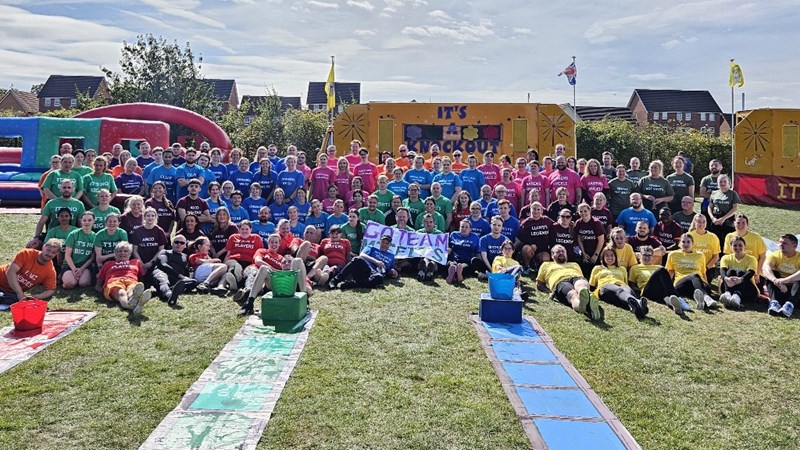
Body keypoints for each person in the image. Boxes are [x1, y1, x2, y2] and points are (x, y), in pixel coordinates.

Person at [536, 244, 601, 320]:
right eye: (558, 252)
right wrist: (549, 292)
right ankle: (582, 305)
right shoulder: (546, 265)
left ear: (566, 254)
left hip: (576, 277)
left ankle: (585, 295)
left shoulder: (574, 264)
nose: (561, 253)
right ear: (552, 255)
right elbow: (539, 284)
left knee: (581, 285)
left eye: (563, 251)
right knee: (572, 295)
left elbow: (581, 277)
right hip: (560, 282)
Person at [95, 241, 153, 316]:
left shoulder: (136, 262)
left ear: (130, 254)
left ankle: (134, 298)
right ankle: (131, 306)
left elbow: (142, 277)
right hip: (114, 282)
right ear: (115, 254)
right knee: (121, 293)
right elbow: (99, 282)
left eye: (125, 251)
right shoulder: (108, 264)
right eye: (119, 251)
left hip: (131, 281)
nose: (122, 253)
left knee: (132, 290)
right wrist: (102, 290)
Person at [589, 246, 648, 318]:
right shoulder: (598, 268)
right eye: (607, 255)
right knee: (620, 290)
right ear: (603, 257)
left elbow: (625, 283)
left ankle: (638, 309)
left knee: (625, 290)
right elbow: (591, 286)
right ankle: (638, 302)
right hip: (605, 287)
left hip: (622, 287)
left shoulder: (622, 269)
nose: (610, 257)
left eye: (612, 255)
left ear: (615, 257)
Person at [666, 233, 717, 311]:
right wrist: (668, 288)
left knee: (696, 278)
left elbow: (703, 273)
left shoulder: (700, 255)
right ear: (679, 244)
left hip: (698, 284)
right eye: (683, 242)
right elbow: (670, 272)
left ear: (693, 244)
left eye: (688, 242)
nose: (686, 244)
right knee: (694, 275)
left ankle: (701, 300)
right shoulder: (673, 254)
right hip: (681, 283)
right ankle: (706, 298)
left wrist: (706, 285)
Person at [328, 234, 398, 290]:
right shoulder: (371, 247)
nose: (384, 244)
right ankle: (335, 280)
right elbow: (362, 255)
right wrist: (376, 261)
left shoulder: (391, 256)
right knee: (357, 259)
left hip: (375, 275)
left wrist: (393, 271)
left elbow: (389, 269)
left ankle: (349, 284)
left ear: (390, 245)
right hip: (366, 270)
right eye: (383, 242)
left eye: (387, 243)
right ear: (379, 242)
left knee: (379, 278)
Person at [628, 246, 685, 314]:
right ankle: (679, 298)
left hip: (659, 290)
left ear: (653, 257)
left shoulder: (657, 267)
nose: (647, 257)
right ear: (640, 256)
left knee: (665, 296)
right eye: (644, 255)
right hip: (647, 291)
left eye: (649, 255)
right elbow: (632, 285)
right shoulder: (635, 268)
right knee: (662, 270)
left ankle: (675, 306)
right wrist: (640, 290)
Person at [30, 179, 85, 249]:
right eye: (64, 187)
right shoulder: (51, 203)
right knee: (32, 245)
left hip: (71, 235)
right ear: (60, 189)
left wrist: (83, 236)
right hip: (52, 235)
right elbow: (42, 221)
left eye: (69, 187)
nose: (66, 190)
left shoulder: (79, 204)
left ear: (73, 189)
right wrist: (36, 237)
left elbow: (81, 223)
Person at [0, 239, 60, 304]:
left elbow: (51, 290)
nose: (49, 254)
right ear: (43, 247)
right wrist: (19, 293)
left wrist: (35, 297)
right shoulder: (26, 253)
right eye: (48, 250)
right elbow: (10, 272)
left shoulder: (50, 270)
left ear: (57, 254)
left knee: (13, 300)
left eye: (53, 252)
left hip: (11, 292)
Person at [762, 234, 800, 318]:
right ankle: (774, 303)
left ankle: (789, 305)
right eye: (780, 242)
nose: (780, 245)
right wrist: (776, 281)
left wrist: (785, 280)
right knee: (771, 275)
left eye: (784, 243)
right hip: (780, 288)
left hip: (795, 291)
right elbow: (765, 268)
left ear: (794, 246)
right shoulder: (774, 255)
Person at [719, 236, 759, 309]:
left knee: (740, 273)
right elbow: (722, 270)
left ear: (745, 246)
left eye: (740, 245)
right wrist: (726, 278)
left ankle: (737, 295)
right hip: (728, 286)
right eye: (735, 245)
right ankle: (728, 294)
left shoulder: (752, 259)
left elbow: (751, 272)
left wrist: (741, 279)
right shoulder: (725, 258)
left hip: (747, 290)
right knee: (730, 271)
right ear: (731, 247)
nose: (737, 247)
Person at [62, 211, 96, 289]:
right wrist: (74, 269)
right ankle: (64, 278)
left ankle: (84, 278)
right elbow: (67, 255)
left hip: (85, 266)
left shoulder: (95, 236)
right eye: (84, 220)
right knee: (70, 284)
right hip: (70, 265)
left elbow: (92, 257)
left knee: (83, 283)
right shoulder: (73, 234)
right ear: (81, 221)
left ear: (93, 221)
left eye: (89, 220)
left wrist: (81, 269)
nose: (87, 222)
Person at [516, 201, 553, 272]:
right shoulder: (526, 223)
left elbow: (555, 226)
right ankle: (527, 266)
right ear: (530, 210)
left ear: (542, 211)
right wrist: (530, 244)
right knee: (526, 249)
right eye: (534, 209)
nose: (536, 211)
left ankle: (537, 265)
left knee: (545, 258)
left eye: (538, 209)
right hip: (531, 248)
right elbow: (521, 237)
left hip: (543, 249)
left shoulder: (546, 220)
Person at [130, 207, 168, 274]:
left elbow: (161, 250)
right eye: (148, 216)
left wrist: (151, 262)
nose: (150, 218)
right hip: (140, 263)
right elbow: (135, 250)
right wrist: (141, 264)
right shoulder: (138, 231)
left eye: (152, 216)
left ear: (156, 217)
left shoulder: (159, 231)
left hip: (154, 263)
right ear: (144, 217)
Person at [707, 174, 740, 247]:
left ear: (728, 182)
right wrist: (712, 218)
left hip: (728, 220)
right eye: (720, 181)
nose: (722, 183)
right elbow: (710, 207)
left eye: (724, 181)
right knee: (715, 240)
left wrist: (723, 218)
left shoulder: (733, 194)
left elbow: (735, 208)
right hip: (716, 219)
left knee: (727, 241)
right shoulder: (714, 193)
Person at [574, 203, 606, 277]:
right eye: (581, 211)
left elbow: (601, 240)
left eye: (585, 211)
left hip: (597, 251)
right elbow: (579, 239)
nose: (583, 213)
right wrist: (583, 253)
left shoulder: (596, 223)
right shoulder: (578, 223)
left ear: (589, 211)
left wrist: (596, 254)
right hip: (586, 252)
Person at [687, 214, 721, 281]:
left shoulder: (713, 237)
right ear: (694, 222)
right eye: (699, 222)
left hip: (708, 268)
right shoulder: (689, 235)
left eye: (704, 222)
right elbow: (685, 254)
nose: (702, 224)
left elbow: (716, 257)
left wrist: (706, 268)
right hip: (692, 267)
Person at [446, 219, 480, 284]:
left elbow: (477, 252)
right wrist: (448, 250)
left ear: (470, 229)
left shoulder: (475, 237)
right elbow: (448, 246)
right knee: (451, 264)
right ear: (459, 227)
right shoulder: (453, 234)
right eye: (462, 226)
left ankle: (456, 274)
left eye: (466, 227)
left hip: (467, 261)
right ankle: (455, 273)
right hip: (454, 259)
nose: (464, 229)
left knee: (463, 267)